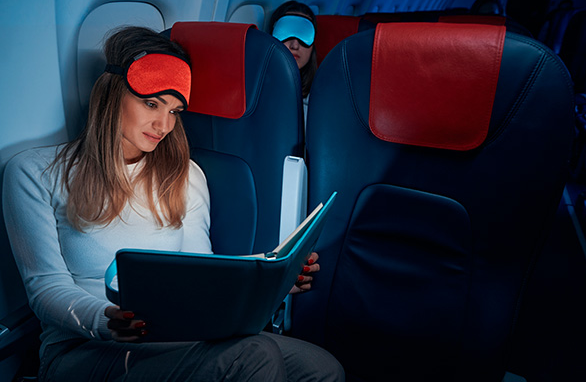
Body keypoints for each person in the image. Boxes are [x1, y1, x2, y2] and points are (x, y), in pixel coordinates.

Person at [2, 26, 344, 381]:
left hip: (169, 337)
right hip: (84, 348)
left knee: (321, 368)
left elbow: (201, 271)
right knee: (253, 356)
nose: (163, 124)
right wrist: (107, 320)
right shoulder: (34, 172)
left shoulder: (184, 176)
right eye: (151, 104)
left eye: (175, 111)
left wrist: (275, 273)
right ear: (111, 94)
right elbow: (45, 287)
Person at [269, 0, 318, 122]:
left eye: (304, 35)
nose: (295, 45)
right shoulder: (252, 91)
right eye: (286, 32)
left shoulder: (321, 99)